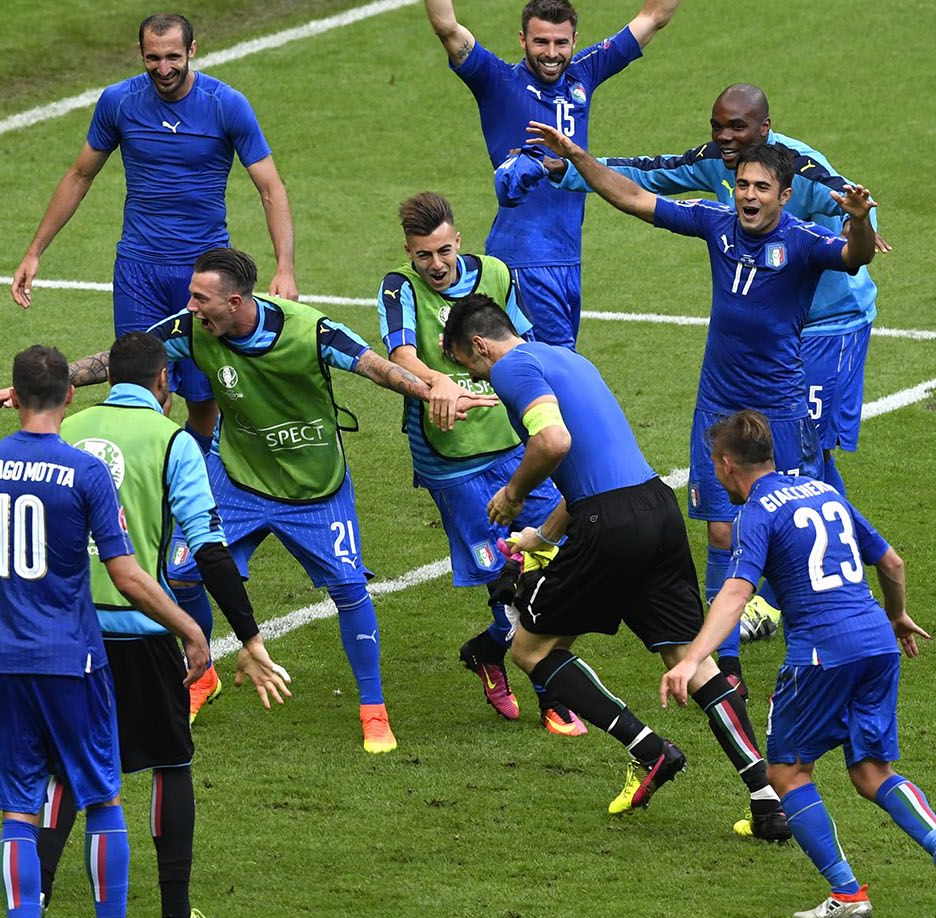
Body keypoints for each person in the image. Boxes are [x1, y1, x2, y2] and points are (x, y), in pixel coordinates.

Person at [0, 248, 490, 753]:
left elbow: (377, 368)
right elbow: (120, 362)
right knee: (180, 572)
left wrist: (433, 391)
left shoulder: (308, 330)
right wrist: (39, 388)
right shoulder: (193, 329)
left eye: (201, 299)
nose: (191, 307)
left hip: (315, 488)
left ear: (236, 301)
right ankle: (202, 675)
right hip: (238, 476)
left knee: (349, 589)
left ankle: (373, 707)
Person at [531, 123, 879, 698]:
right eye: (742, 184)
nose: (748, 196)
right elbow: (634, 197)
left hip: (780, 412)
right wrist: (576, 157)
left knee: (785, 531)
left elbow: (854, 256)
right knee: (722, 531)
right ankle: (729, 666)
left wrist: (860, 220)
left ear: (783, 195)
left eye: (761, 187)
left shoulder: (801, 241)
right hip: (717, 406)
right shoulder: (716, 226)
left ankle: (811, 645)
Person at [0, 345, 210, 918]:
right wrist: (189, 627)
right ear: (70, 396)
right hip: (72, 660)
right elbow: (128, 576)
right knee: (103, 796)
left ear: (17, 395)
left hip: (4, 662)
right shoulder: (84, 473)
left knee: (20, 808)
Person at [446, 294, 785, 830]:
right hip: (656, 508)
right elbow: (592, 466)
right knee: (692, 660)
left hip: (609, 526)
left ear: (481, 345)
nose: (479, 377)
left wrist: (513, 492)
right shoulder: (568, 358)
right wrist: (544, 534)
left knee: (531, 650)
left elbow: (554, 442)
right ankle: (767, 799)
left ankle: (647, 748)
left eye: (470, 365)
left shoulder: (512, 366)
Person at [659, 411, 936, 918]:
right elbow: (891, 563)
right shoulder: (824, 492)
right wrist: (897, 617)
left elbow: (737, 591)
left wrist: (692, 659)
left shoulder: (756, 513)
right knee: (872, 772)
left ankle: (847, 894)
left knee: (786, 771)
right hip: (877, 642)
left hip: (821, 653)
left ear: (725, 464)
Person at [31, 331, 290, 918]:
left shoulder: (64, 430)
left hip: (64, 630)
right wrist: (247, 636)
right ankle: (176, 917)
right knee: (171, 762)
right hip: (142, 630)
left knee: (66, 767)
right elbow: (208, 547)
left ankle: (32, 904)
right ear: (164, 383)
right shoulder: (173, 442)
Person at [545, 83, 883, 497]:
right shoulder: (720, 164)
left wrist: (859, 225)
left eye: (737, 127)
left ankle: (836, 539)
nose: (724, 137)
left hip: (830, 323)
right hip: (772, 332)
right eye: (717, 127)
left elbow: (852, 200)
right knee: (766, 452)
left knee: (811, 450)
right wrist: (569, 167)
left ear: (764, 128)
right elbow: (646, 176)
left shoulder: (799, 168)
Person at [10, 11, 297, 445]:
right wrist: (35, 251)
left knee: (205, 397)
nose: (164, 69)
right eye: (153, 58)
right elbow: (79, 176)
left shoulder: (226, 105)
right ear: (141, 54)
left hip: (202, 276)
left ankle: (192, 474)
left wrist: (285, 267)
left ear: (192, 51)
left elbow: (270, 187)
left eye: (173, 57)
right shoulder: (119, 102)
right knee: (138, 392)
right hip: (139, 272)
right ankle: (147, 483)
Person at [375, 192, 582, 736]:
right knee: (500, 577)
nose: (436, 265)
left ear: (458, 240)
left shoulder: (494, 273)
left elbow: (523, 343)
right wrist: (438, 380)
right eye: (423, 256)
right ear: (408, 253)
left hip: (514, 446)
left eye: (443, 251)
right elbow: (399, 355)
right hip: (451, 464)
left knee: (559, 552)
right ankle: (553, 693)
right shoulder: (398, 288)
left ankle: (489, 653)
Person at [422, 0, 681, 347]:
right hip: (526, 262)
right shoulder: (497, 82)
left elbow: (653, 16)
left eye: (561, 43)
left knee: (537, 376)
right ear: (522, 40)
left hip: (566, 258)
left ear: (575, 40)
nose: (551, 53)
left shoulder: (583, 74)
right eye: (540, 42)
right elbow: (447, 28)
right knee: (559, 372)